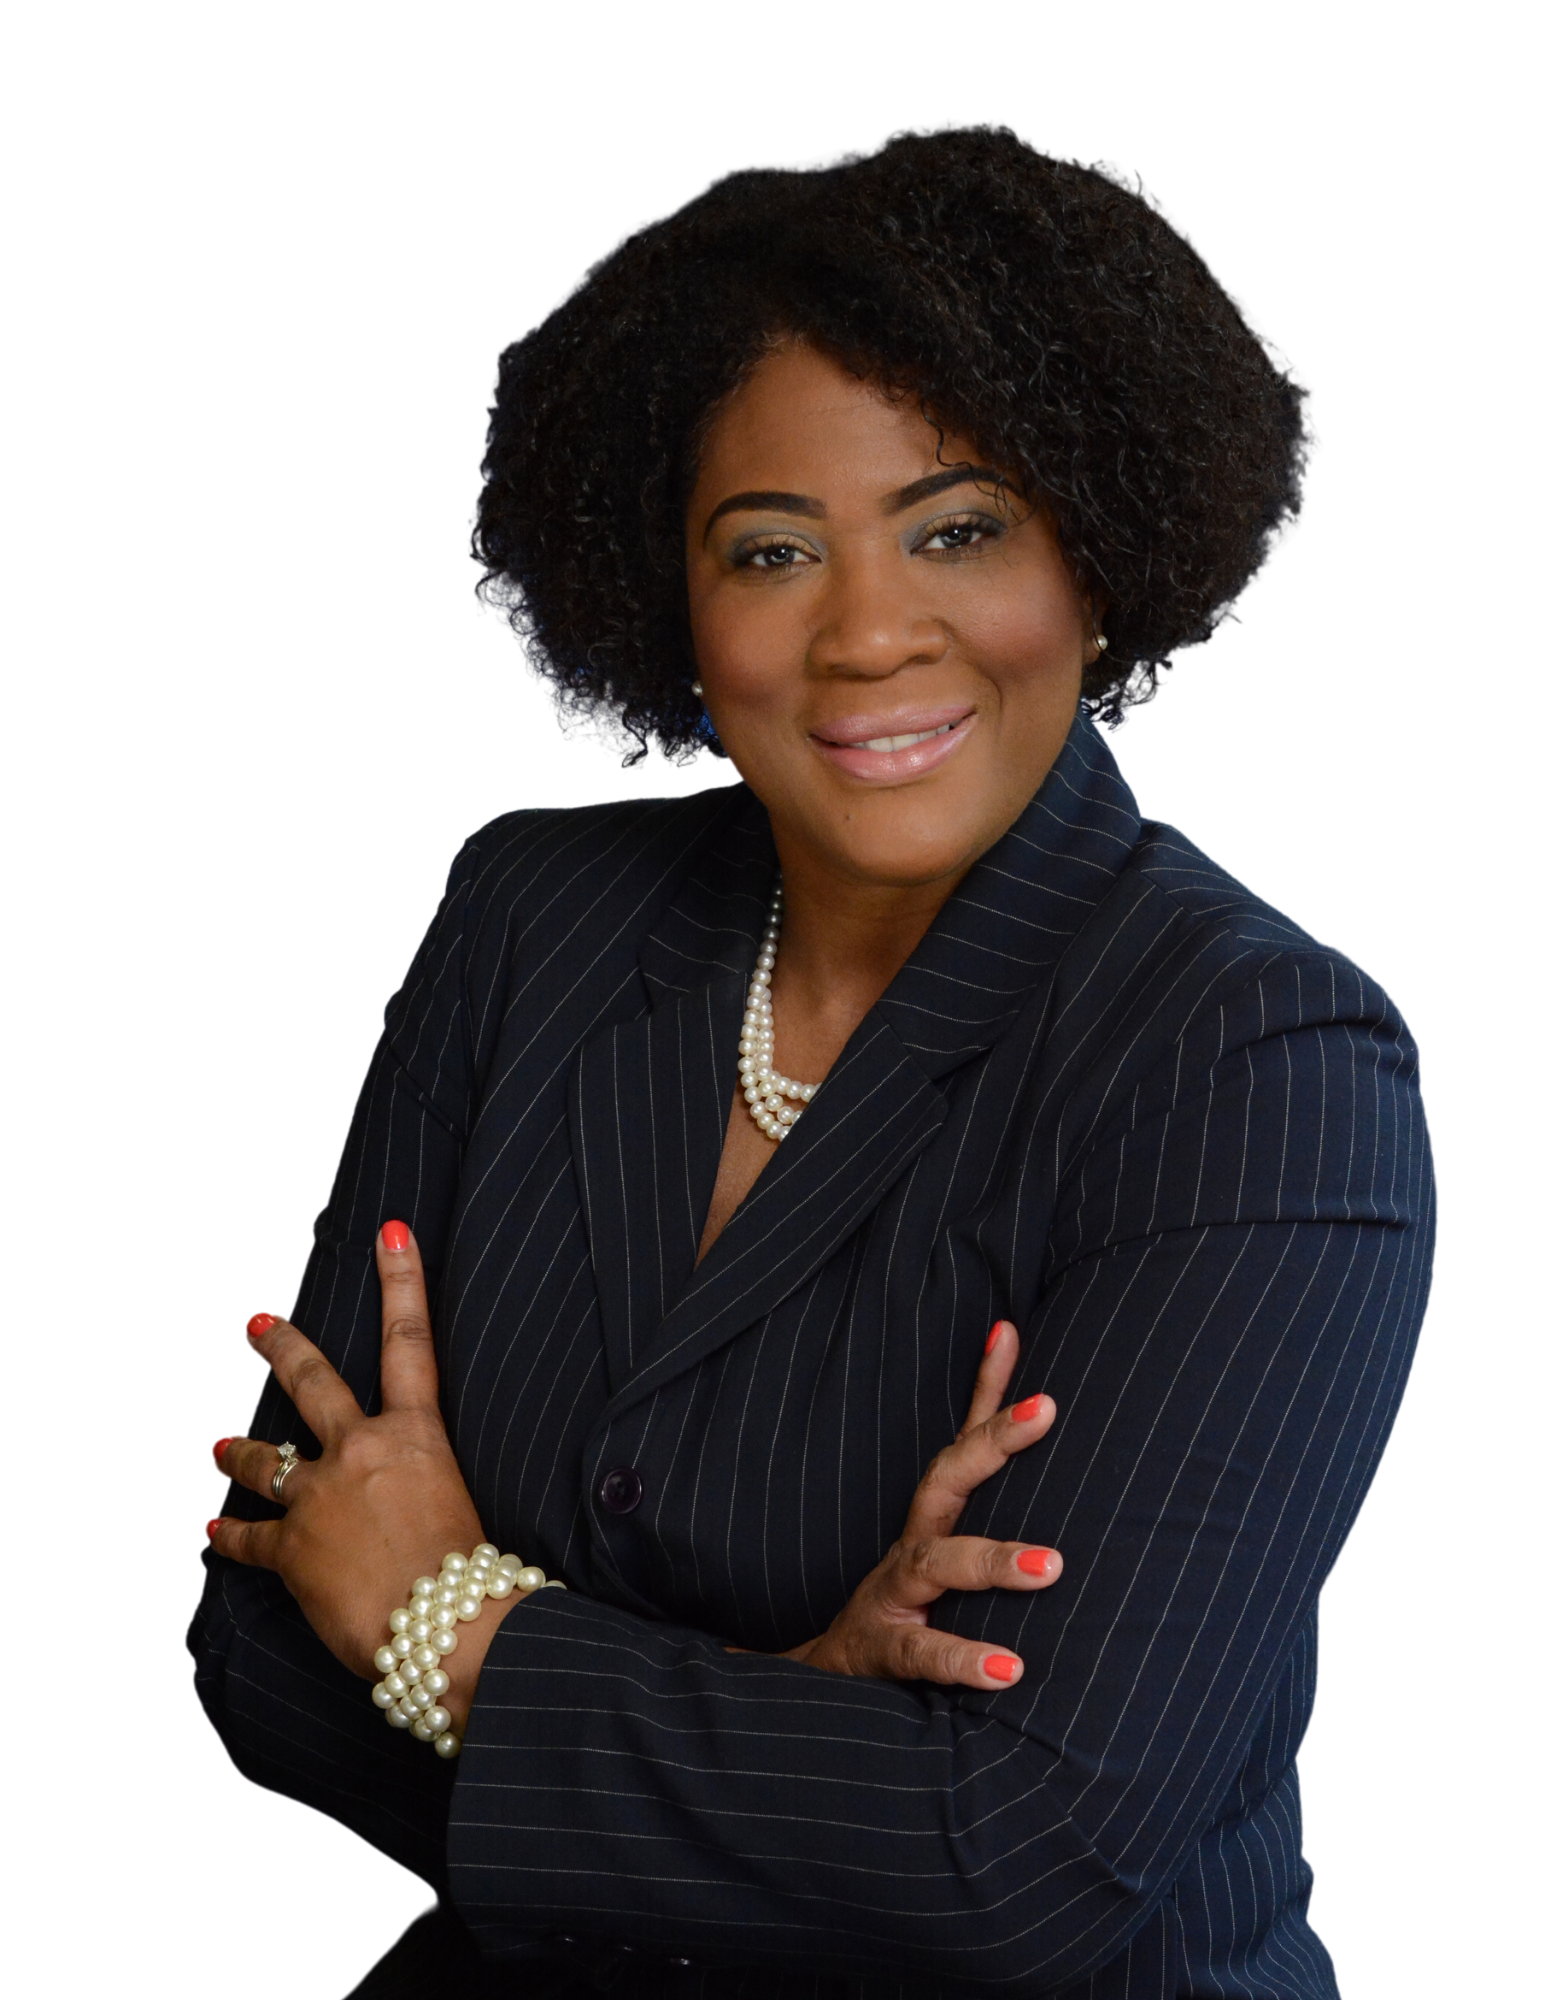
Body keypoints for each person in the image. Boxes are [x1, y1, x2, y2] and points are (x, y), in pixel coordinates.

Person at [190, 128, 1433, 1999]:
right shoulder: (537, 919)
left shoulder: (1253, 1060)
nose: (865, 633)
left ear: (1096, 557)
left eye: (958, 529)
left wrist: (451, 1629)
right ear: (671, 603)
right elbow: (268, 1653)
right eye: (772, 551)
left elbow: (1013, 1861)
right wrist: (798, 1720)